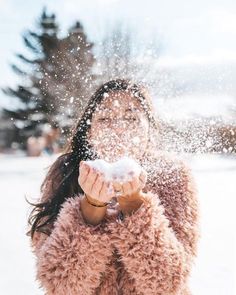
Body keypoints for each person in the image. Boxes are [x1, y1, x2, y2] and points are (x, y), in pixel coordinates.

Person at [27, 79, 201, 295]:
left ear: (149, 131)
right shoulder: (66, 172)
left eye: (131, 118)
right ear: (89, 132)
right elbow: (61, 285)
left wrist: (134, 205)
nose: (118, 128)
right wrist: (91, 207)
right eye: (105, 118)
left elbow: (167, 284)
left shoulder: (173, 175)